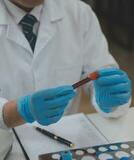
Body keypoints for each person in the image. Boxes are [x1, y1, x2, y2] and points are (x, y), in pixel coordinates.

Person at [0, 0, 131, 130]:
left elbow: (99, 70)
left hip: (65, 134)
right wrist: (13, 113)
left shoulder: (78, 13)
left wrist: (110, 97)